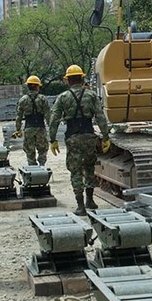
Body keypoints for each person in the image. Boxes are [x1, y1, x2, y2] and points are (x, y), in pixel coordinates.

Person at [49, 64, 111, 216]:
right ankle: (90, 200)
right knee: (89, 168)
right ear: (82, 79)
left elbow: (54, 120)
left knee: (75, 171)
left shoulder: (63, 97)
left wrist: (52, 139)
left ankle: (80, 206)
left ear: (68, 81)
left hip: (73, 137)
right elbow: (101, 117)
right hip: (89, 136)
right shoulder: (91, 96)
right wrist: (105, 137)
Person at [12, 75, 51, 166]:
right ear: (37, 86)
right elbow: (48, 115)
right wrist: (51, 127)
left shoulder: (23, 100)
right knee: (43, 149)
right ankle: (42, 165)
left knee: (29, 150)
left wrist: (18, 129)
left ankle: (32, 167)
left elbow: (19, 116)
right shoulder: (42, 99)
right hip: (40, 128)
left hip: (28, 128)